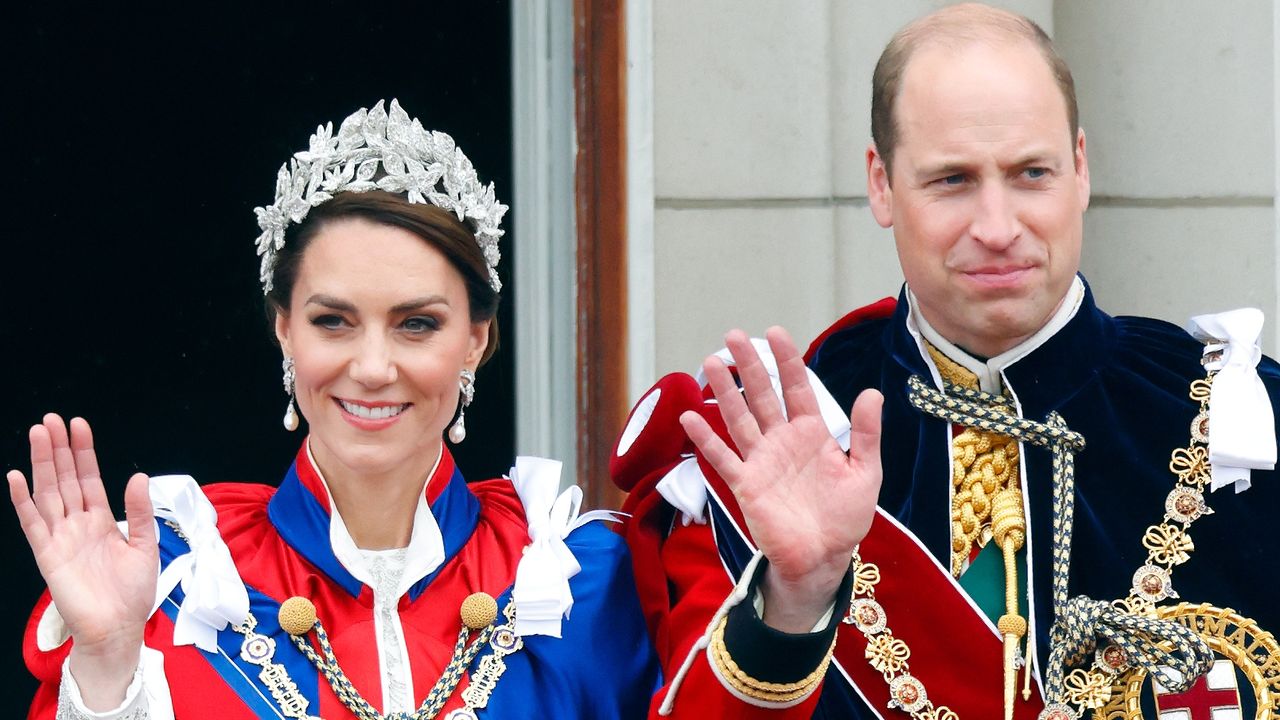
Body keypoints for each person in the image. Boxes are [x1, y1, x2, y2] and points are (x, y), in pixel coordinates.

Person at [612, 4, 1280, 719]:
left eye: (1031, 173)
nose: (997, 228)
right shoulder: (774, 450)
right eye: (952, 180)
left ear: (1080, 169)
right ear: (881, 184)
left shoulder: (1242, 423)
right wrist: (793, 599)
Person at [11, 99, 660, 719]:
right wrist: (106, 664)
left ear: (476, 340)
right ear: (285, 329)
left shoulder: (576, 584)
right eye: (334, 321)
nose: (373, 368)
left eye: (416, 324)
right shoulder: (172, 588)